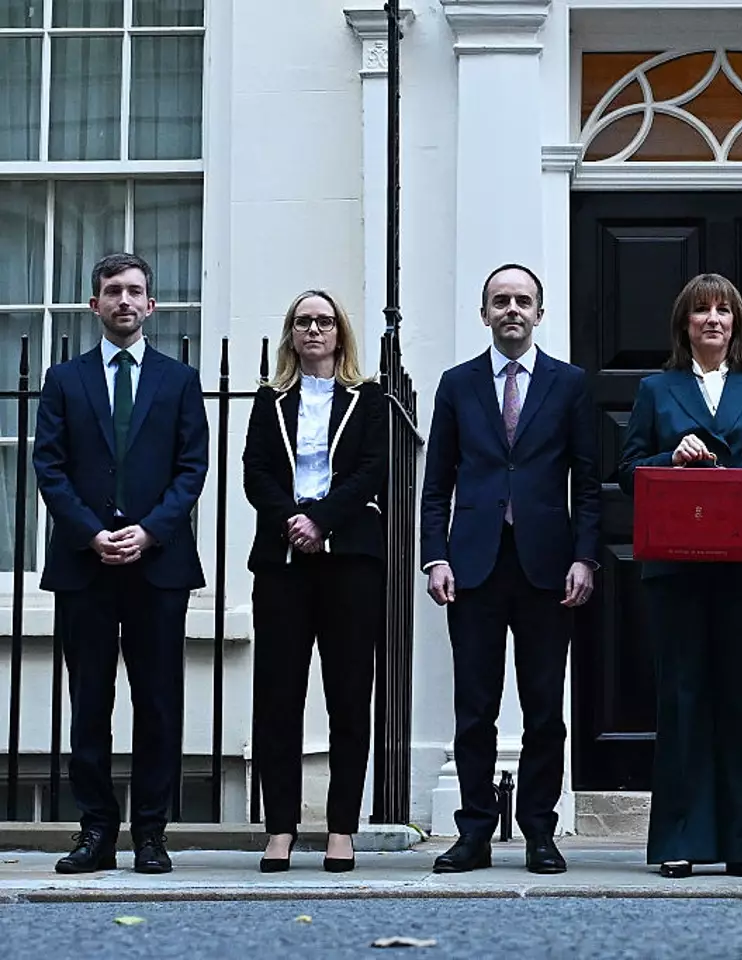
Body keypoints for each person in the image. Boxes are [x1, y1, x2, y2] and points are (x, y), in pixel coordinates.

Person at [618, 273, 742, 878]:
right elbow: (627, 470)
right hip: (676, 569)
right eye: (701, 312)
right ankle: (680, 841)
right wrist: (668, 457)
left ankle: (741, 845)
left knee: (741, 701)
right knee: (683, 699)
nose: (713, 321)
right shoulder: (656, 388)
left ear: (738, 323)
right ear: (684, 324)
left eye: (724, 311)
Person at [421, 263, 601, 875]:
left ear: (541, 313)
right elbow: (435, 482)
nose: (512, 310)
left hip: (548, 567)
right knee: (475, 708)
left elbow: (589, 482)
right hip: (472, 565)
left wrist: (585, 556)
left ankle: (538, 831)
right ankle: (472, 832)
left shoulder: (569, 384)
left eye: (523, 301)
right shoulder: (456, 384)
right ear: (484, 313)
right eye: (501, 301)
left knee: (545, 708)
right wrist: (435, 554)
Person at [34, 253, 208, 874]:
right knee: (89, 701)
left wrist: (150, 530)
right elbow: (48, 468)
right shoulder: (63, 379)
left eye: (136, 291)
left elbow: (193, 468)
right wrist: (90, 533)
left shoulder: (179, 380)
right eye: (113, 291)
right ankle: (96, 831)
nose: (125, 301)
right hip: (86, 567)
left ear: (151, 306)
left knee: (159, 703)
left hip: (157, 566)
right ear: (95, 305)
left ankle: (152, 833)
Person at [242, 290, 387, 873]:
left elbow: (371, 469)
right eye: (303, 322)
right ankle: (280, 827)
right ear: (290, 333)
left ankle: (342, 829)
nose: (313, 330)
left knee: (349, 696)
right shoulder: (269, 399)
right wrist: (290, 521)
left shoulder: (369, 399)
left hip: (349, 558)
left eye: (324, 321)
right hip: (281, 563)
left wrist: (323, 519)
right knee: (278, 696)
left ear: (340, 333)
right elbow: (255, 471)